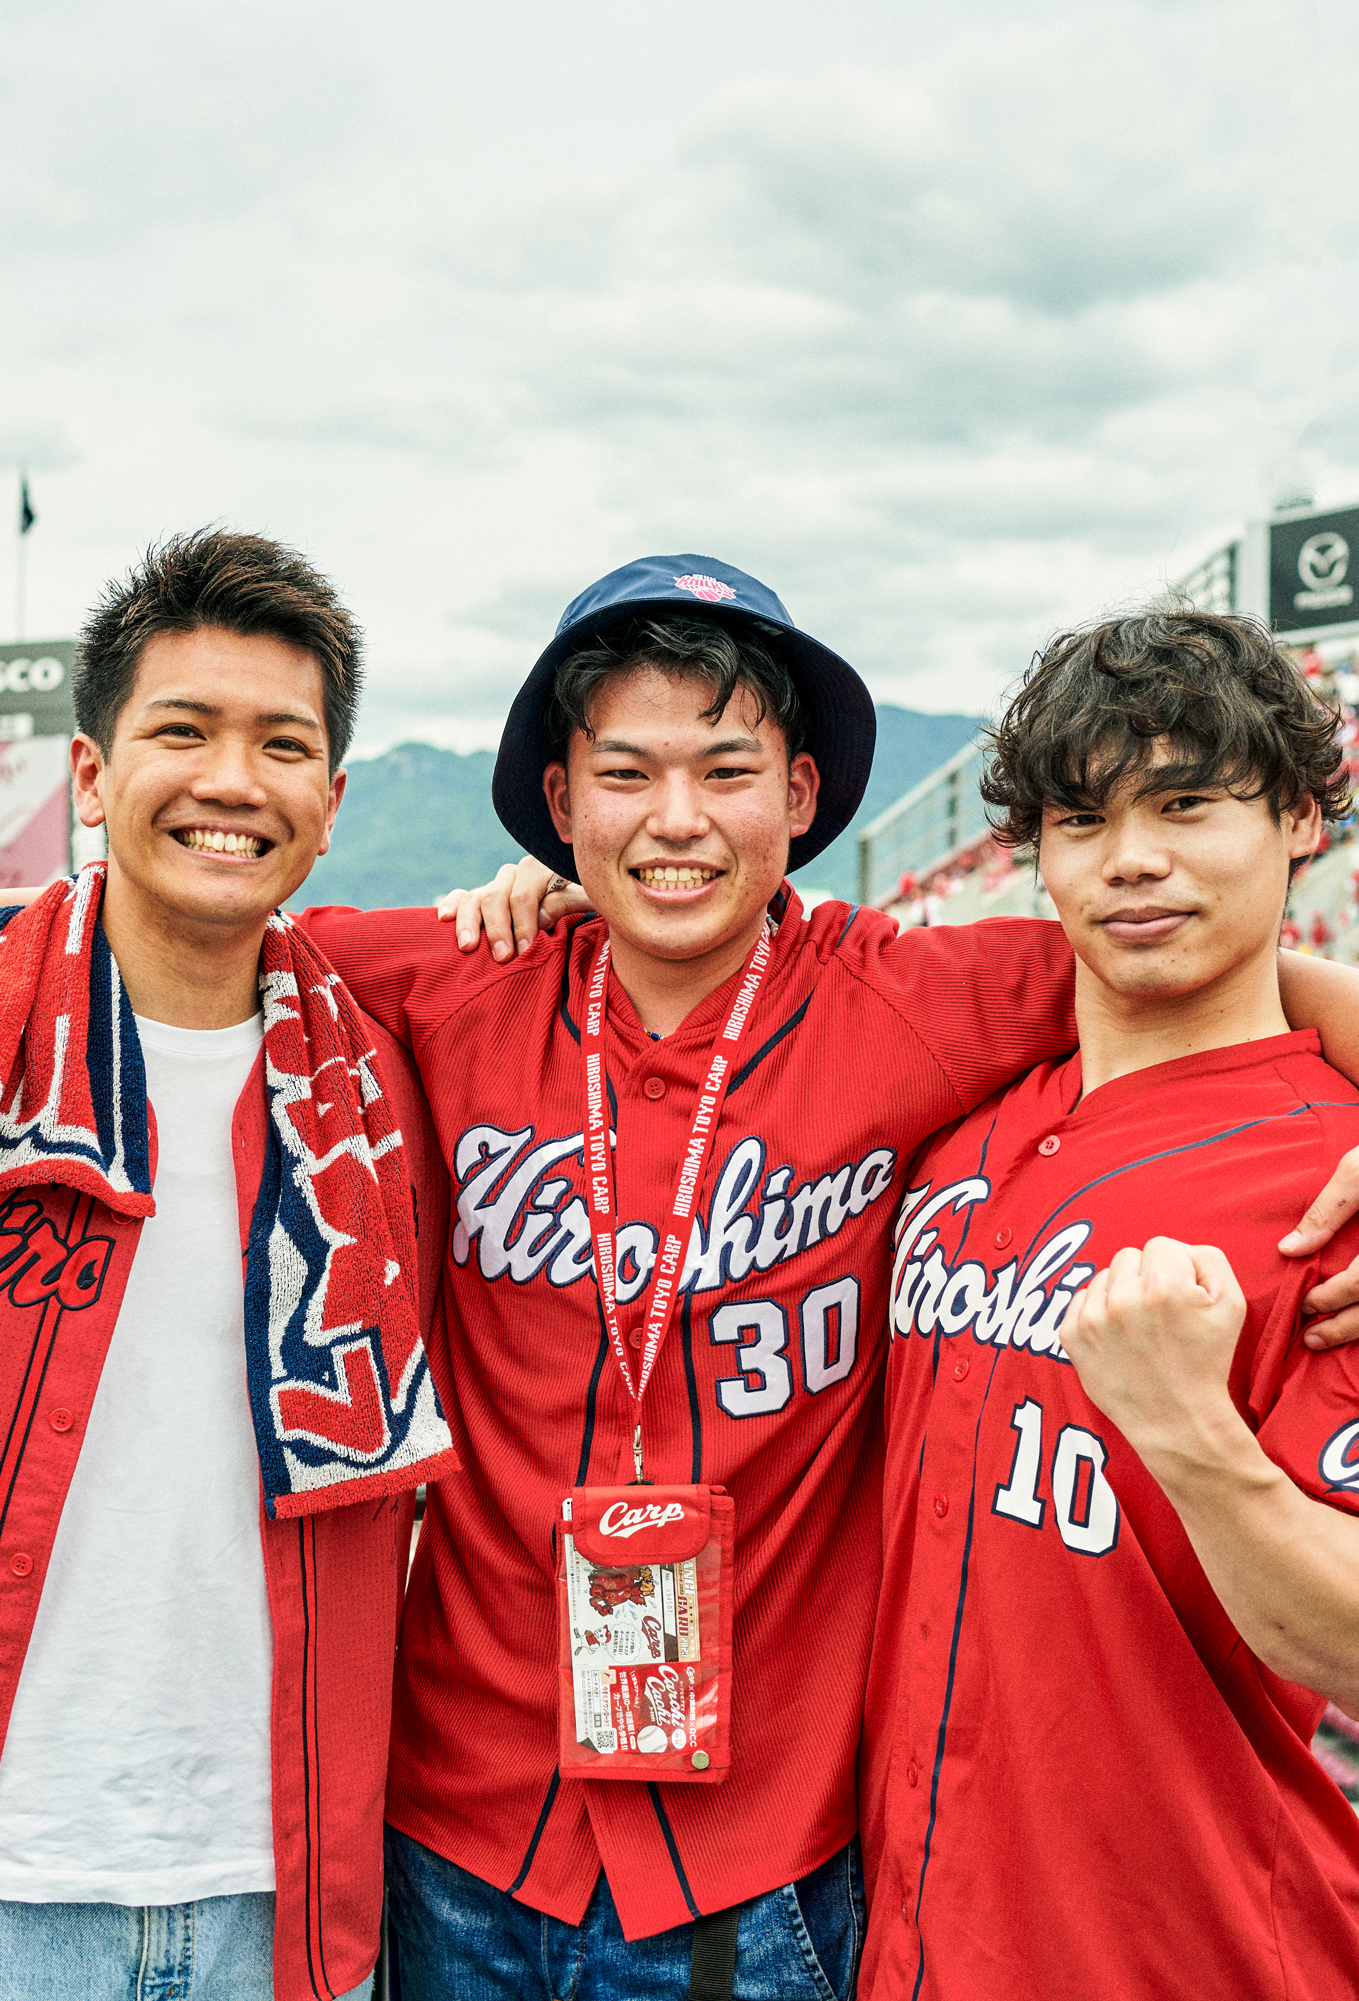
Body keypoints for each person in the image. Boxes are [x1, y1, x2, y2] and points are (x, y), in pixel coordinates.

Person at [297, 557, 1359, 2001]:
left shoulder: (926, 995)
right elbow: (184, 940)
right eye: (627, 773)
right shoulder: (442, 975)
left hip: (762, 1857)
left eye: (726, 769)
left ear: (800, 795)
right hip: (460, 1827)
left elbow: (1190, 959)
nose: (677, 820)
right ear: (561, 806)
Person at [858, 611, 1359, 2000]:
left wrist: (1191, 1434)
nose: (1130, 857)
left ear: (1304, 821)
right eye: (1082, 818)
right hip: (908, 1936)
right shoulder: (966, 1128)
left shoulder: (1334, 1183)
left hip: (1191, 1945)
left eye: (1187, 803)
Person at [0, 531, 457, 2001]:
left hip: (292, 1882)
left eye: (281, 744)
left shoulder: (392, 1081)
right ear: (89, 775)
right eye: (181, 730)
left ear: (330, 805)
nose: (230, 781)